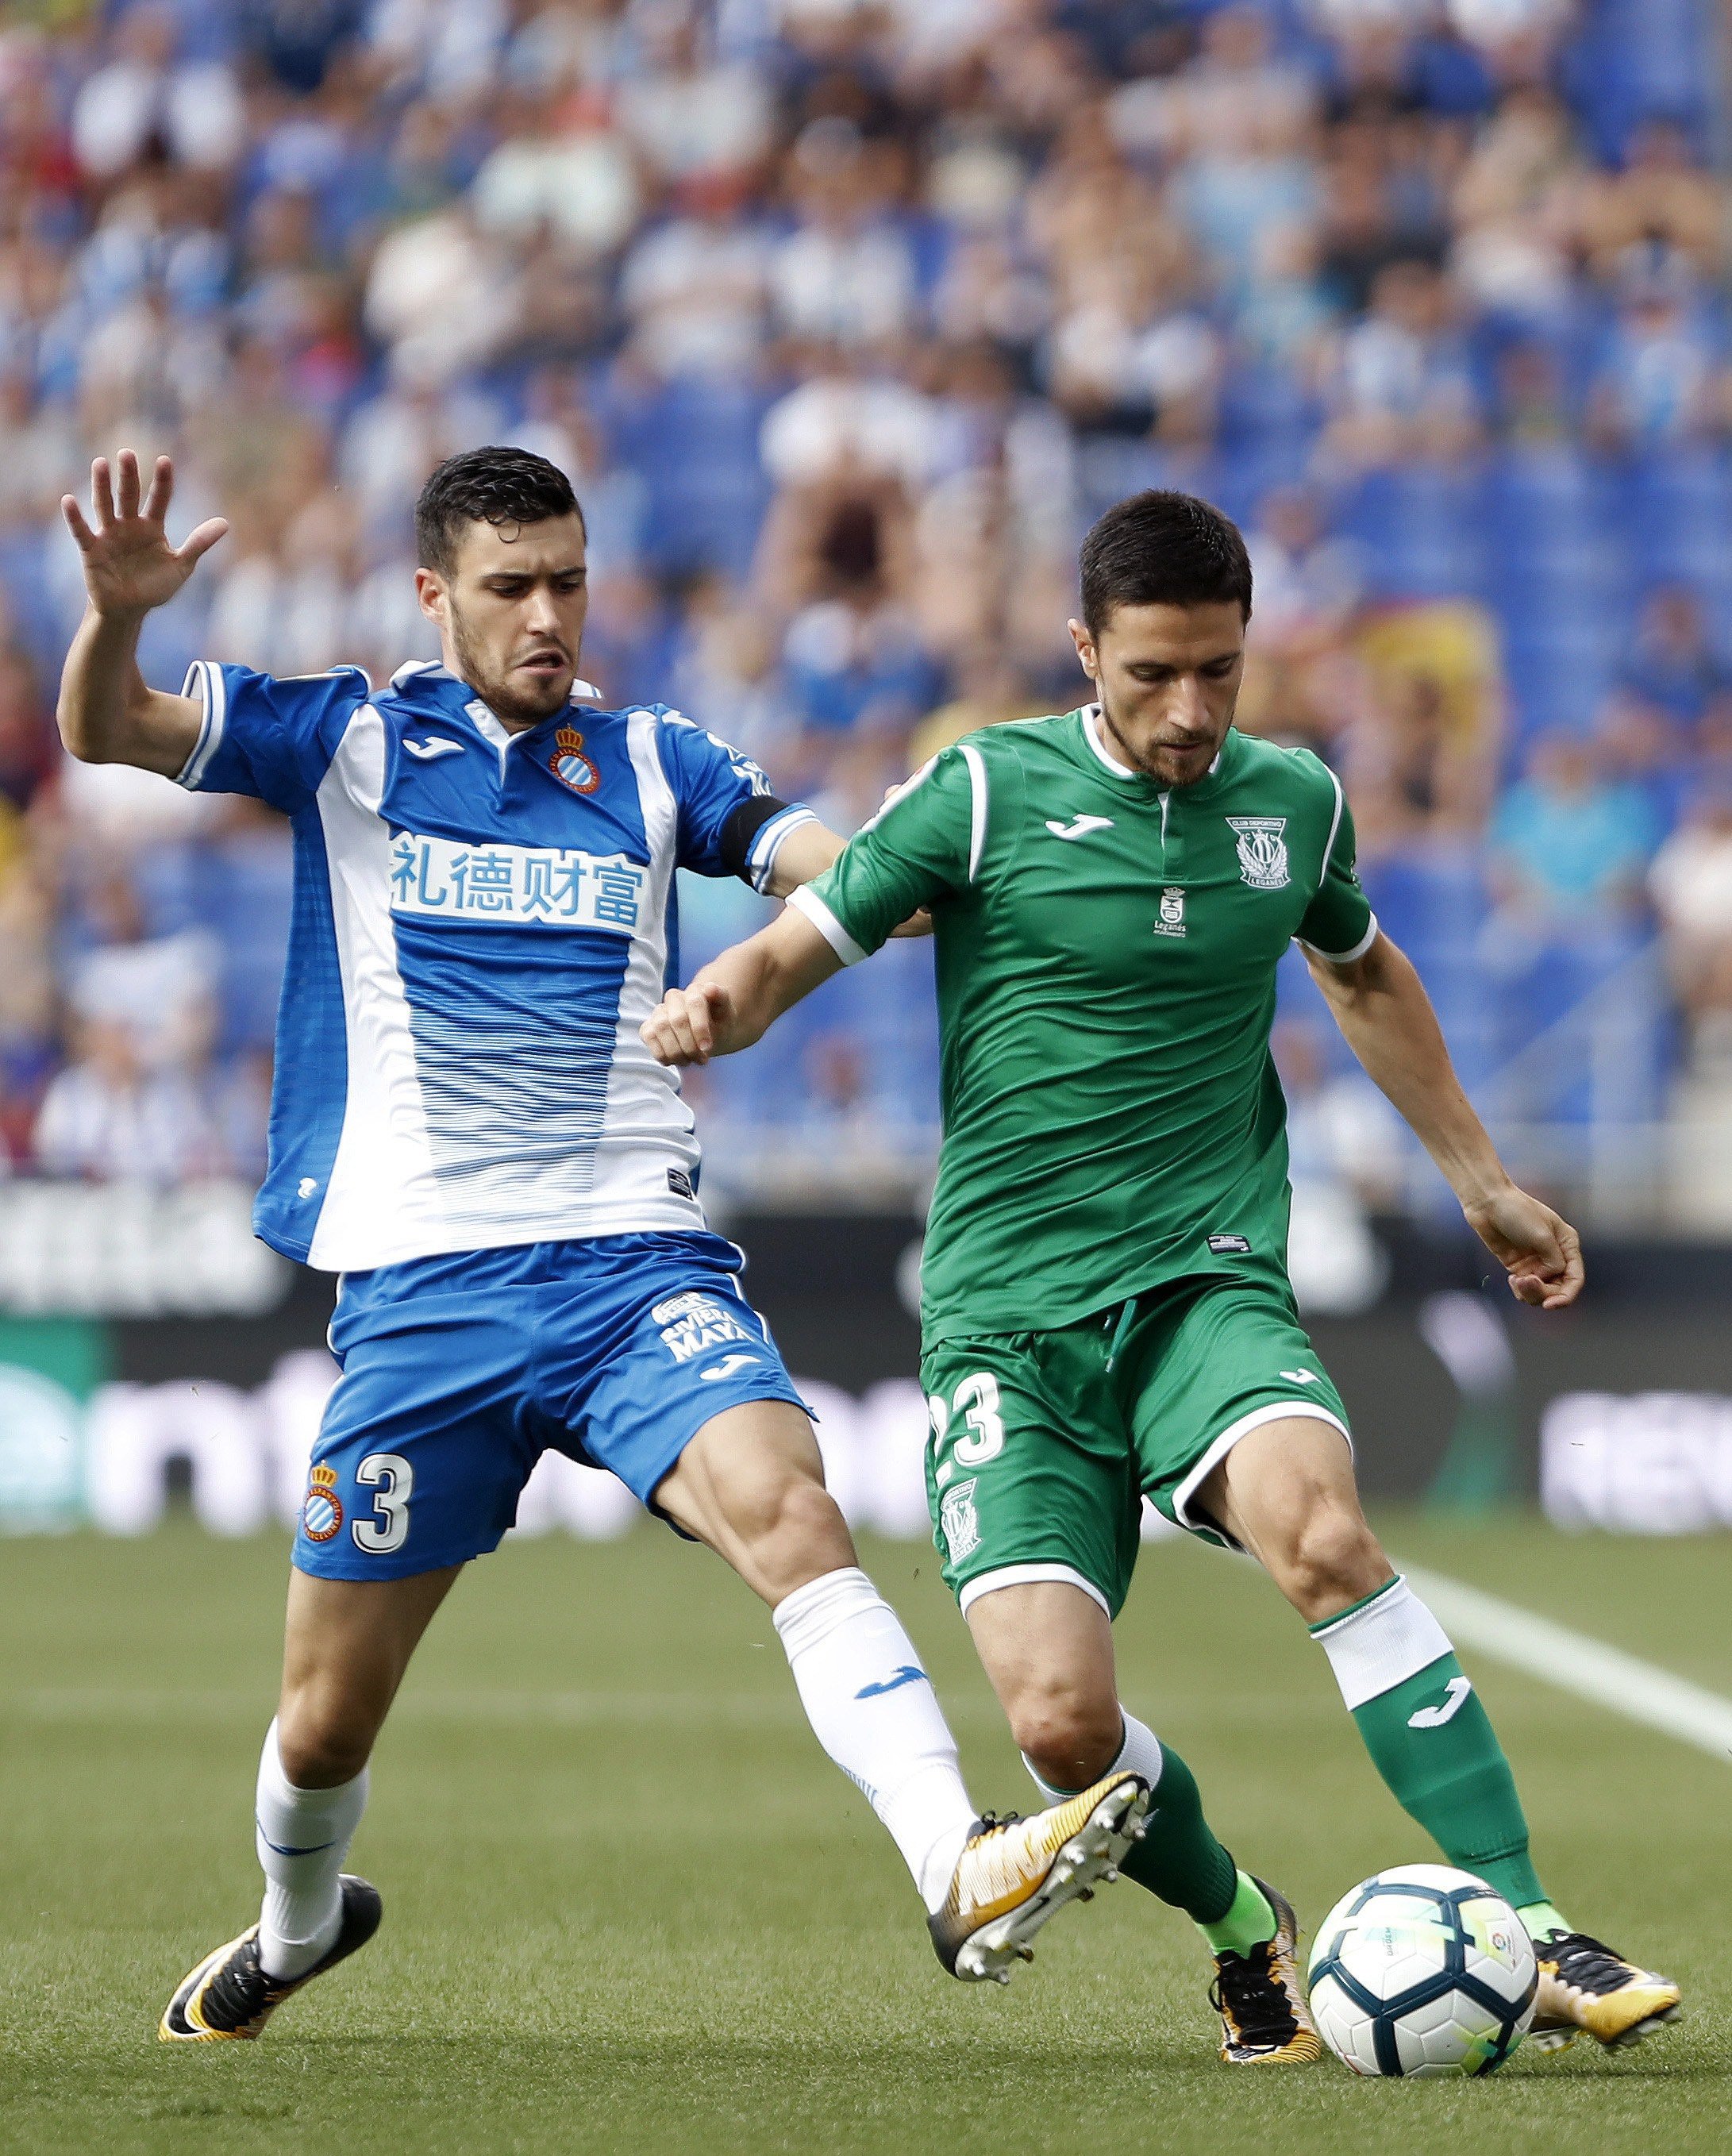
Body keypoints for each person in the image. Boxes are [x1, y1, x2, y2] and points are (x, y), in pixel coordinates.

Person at [55, 443, 1157, 2043]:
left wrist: (917, 865)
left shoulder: (650, 760)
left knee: (790, 1506)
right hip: (423, 1287)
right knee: (321, 1715)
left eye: (567, 578)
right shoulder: (348, 735)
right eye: (510, 585)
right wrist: (114, 618)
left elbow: (831, 869)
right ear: (434, 596)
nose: (548, 612)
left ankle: (955, 1853)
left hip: (628, 1261)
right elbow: (108, 728)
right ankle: (295, 1927)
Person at [642, 488, 1684, 2062]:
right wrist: (723, 998)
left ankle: (1533, 1922)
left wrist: (1477, 1177)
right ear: (1084, 651)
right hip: (1004, 1324)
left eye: (1217, 670)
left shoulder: (1294, 803)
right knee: (1060, 1726)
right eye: (1151, 675)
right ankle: (1241, 1927)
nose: (1190, 710)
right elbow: (803, 938)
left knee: (1322, 1529)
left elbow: (1363, 967)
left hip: (1203, 1283)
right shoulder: (984, 791)